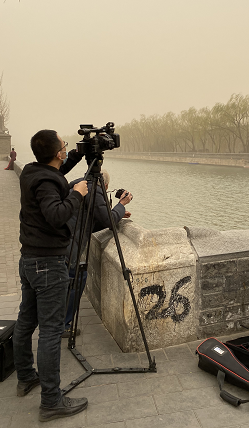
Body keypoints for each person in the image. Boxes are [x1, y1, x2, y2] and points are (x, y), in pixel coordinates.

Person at [12, 130, 89, 422]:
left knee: (26, 320)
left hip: (29, 259)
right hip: (48, 263)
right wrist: (77, 194)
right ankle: (51, 401)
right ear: (57, 153)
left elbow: (57, 173)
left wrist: (80, 154)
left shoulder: (34, 171)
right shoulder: (46, 181)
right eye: (65, 146)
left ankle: (25, 377)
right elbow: (57, 215)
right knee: (51, 331)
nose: (66, 149)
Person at [63, 170, 132, 336]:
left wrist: (118, 214)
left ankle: (56, 321)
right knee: (77, 278)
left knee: (70, 279)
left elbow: (94, 221)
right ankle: (63, 325)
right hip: (70, 245)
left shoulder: (79, 185)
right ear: (105, 185)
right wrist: (121, 205)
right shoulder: (95, 188)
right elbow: (107, 220)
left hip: (65, 241)